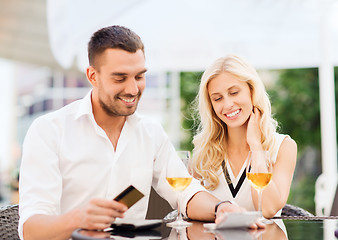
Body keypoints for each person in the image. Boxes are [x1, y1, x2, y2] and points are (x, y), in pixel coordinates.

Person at [18, 26, 242, 240]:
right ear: (92, 76)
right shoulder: (49, 131)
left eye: (139, 76)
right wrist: (78, 219)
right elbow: (32, 230)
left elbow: (185, 192)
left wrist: (221, 208)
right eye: (120, 78)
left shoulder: (150, 133)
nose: (133, 89)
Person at [191, 55, 297, 218]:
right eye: (218, 98)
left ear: (252, 91)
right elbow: (189, 209)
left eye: (234, 92)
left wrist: (256, 146)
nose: (227, 105)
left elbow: (268, 210)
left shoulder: (283, 146)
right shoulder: (204, 152)